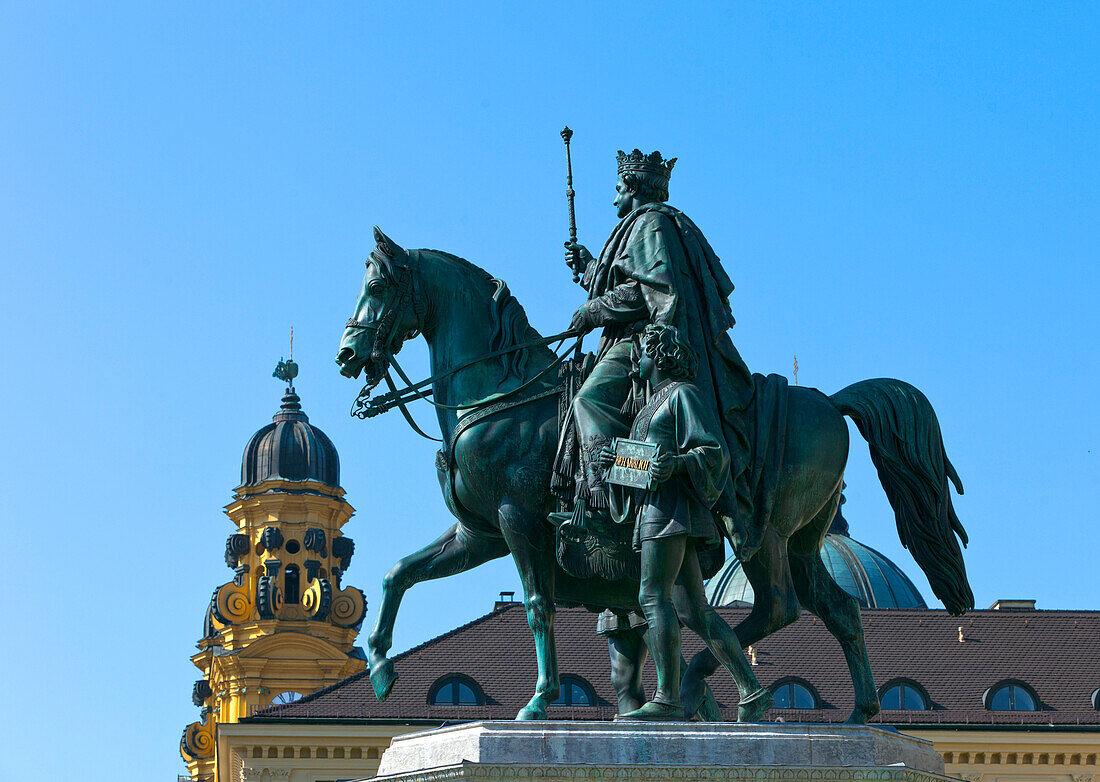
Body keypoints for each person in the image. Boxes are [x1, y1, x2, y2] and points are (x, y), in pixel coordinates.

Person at [560, 149, 764, 561]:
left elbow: (648, 290)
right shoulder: (651, 224)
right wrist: (589, 269)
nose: (614, 198)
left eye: (617, 189)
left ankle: (606, 498)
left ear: (633, 188)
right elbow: (630, 277)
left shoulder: (650, 222)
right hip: (634, 334)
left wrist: (592, 309)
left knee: (588, 402)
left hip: (643, 341)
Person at [596, 325, 772, 721]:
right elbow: (644, 463)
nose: (634, 359)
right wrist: (616, 466)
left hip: (669, 510)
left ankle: (668, 697)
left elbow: (713, 451)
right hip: (655, 508)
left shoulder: (682, 395)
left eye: (639, 351)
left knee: (651, 597)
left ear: (659, 355)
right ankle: (752, 689)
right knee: (695, 611)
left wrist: (676, 464)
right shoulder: (649, 406)